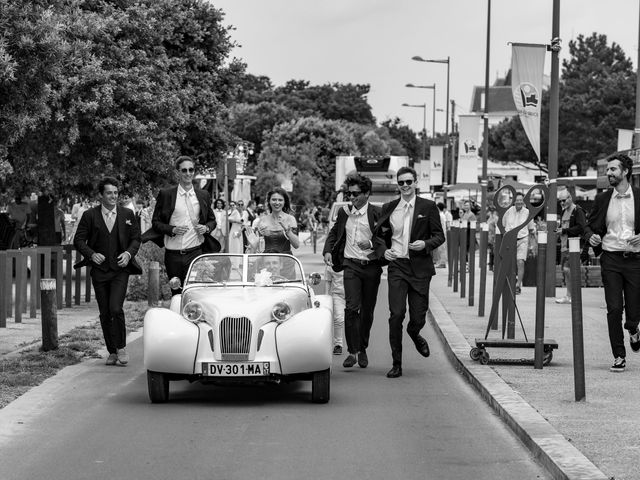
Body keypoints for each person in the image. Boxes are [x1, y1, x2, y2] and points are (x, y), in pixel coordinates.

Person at [375, 166, 445, 378]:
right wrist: (383, 251)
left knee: (418, 316)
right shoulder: (389, 207)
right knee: (396, 315)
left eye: (408, 182)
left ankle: (414, 333)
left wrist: (425, 244)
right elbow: (377, 236)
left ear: (416, 183)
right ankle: (397, 363)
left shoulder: (429, 206)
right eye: (401, 182)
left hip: (420, 269)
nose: (405, 186)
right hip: (397, 267)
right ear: (398, 185)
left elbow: (439, 236)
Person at [73, 177, 142, 366]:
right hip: (100, 271)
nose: (113, 196)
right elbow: (78, 240)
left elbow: (136, 239)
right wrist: (91, 254)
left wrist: (128, 254)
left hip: (120, 269)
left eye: (116, 193)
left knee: (115, 308)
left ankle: (121, 347)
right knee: (104, 312)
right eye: (109, 193)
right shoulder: (90, 215)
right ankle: (111, 351)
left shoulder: (127, 214)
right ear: (101, 195)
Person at [584, 153, 640, 372]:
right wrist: (591, 237)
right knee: (614, 308)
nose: (609, 173)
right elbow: (588, 226)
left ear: (625, 172)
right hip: (611, 258)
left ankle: (633, 329)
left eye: (613, 169)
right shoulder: (602, 199)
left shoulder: (639, 196)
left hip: (636, 260)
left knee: (634, 311)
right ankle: (619, 355)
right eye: (608, 170)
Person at [323, 174, 384, 370]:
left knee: (367, 311)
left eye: (356, 194)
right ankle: (352, 351)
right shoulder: (344, 212)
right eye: (349, 193)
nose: (352, 197)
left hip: (371, 267)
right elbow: (334, 233)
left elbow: (387, 237)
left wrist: (372, 243)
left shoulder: (377, 213)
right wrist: (327, 251)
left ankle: (363, 348)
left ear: (367, 193)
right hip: (351, 266)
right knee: (351, 308)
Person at [147, 156, 218, 295]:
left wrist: (206, 228)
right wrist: (172, 229)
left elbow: (212, 220)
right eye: (184, 170)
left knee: (194, 293)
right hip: (173, 255)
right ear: (178, 173)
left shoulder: (203, 195)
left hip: (195, 253)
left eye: (191, 170)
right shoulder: (166, 194)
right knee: (177, 294)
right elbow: (155, 222)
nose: (188, 173)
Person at [555, 189, 586, 304]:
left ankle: (572, 296)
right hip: (564, 246)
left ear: (570, 198)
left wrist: (564, 230)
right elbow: (564, 228)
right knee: (566, 271)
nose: (562, 203)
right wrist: (559, 231)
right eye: (560, 201)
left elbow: (581, 227)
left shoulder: (578, 211)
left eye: (564, 200)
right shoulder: (564, 212)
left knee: (569, 270)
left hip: (574, 247)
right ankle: (569, 295)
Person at [502, 192, 536, 295]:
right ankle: (507, 283)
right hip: (510, 239)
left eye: (521, 200)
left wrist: (533, 244)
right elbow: (503, 224)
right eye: (517, 200)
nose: (519, 202)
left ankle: (518, 285)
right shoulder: (508, 211)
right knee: (508, 262)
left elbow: (531, 229)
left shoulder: (527, 212)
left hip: (522, 239)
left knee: (520, 261)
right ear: (514, 201)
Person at [257, 187, 299, 254]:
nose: (277, 203)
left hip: (286, 261)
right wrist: (258, 237)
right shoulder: (263, 220)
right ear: (269, 201)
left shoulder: (290, 219)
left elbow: (296, 245)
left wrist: (288, 232)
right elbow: (258, 247)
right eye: (274, 199)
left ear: (284, 202)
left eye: (280, 200)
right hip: (268, 261)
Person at [325, 266, 345, 355]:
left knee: (354, 320)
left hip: (353, 294)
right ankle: (338, 344)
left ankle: (357, 345)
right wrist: (326, 297)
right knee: (338, 319)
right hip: (337, 295)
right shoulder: (330, 264)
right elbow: (328, 281)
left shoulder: (351, 260)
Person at [433, 202, 448, 268]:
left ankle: (442, 263)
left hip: (441, 234)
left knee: (441, 249)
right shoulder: (441, 215)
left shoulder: (441, 215)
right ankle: (441, 262)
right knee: (441, 249)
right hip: (442, 233)